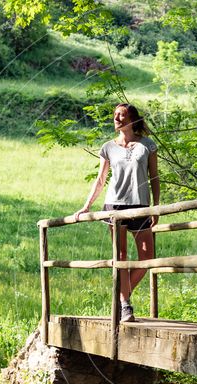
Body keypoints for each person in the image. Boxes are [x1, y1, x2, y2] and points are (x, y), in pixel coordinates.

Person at [74, 103, 160, 322]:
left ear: (131, 119)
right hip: (115, 206)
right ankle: (125, 305)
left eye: (121, 115)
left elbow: (154, 178)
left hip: (141, 206)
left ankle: (122, 294)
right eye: (115, 116)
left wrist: (157, 206)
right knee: (120, 256)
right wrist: (87, 206)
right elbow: (101, 179)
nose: (116, 119)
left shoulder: (147, 146)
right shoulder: (108, 148)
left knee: (147, 258)